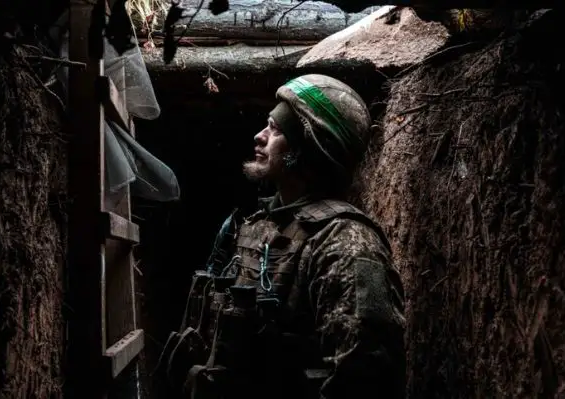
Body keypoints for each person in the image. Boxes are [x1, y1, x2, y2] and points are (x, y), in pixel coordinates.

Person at [163, 74, 406, 399]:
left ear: (306, 148)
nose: (259, 137)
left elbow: (364, 376)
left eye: (276, 129)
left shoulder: (345, 241)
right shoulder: (260, 224)